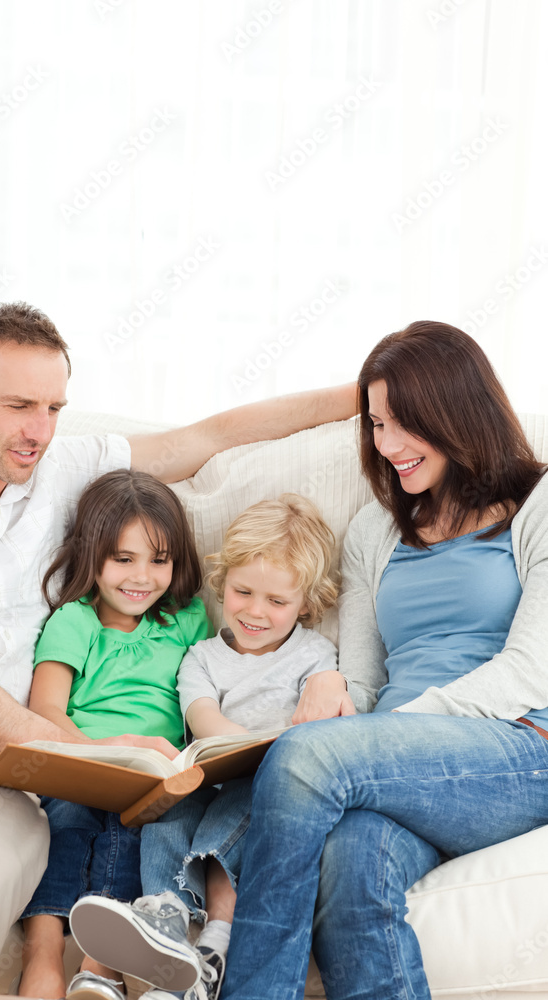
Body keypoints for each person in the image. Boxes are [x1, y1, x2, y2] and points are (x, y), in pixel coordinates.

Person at [0, 301, 356, 991]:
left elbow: (207, 437)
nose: (39, 430)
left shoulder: (61, 461)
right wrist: (80, 750)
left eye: (53, 407)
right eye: (19, 406)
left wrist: (367, 392)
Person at [213, 320, 548, 1000]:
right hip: (392, 762)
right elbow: (365, 683)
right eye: (375, 424)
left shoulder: (538, 506)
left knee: (307, 757)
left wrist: (379, 736)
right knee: (352, 858)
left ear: (457, 411)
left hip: (517, 749)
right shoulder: (373, 529)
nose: (386, 445)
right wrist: (333, 682)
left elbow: (529, 671)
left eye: (404, 423)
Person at [68, 494, 340, 1000]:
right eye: (243, 592)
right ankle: (165, 924)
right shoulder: (201, 657)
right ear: (223, 582)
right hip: (207, 771)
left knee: (225, 822)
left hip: (270, 782)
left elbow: (323, 721)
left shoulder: (316, 654)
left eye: (277, 602)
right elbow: (204, 720)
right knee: (165, 819)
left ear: (308, 602)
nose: (256, 612)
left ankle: (214, 941)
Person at [19, 468, 212, 1000]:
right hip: (80, 768)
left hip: (152, 780)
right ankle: (43, 945)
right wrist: (108, 752)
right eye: (123, 559)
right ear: (91, 554)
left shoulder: (187, 621)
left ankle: (100, 966)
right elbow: (45, 713)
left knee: (137, 835)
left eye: (159, 560)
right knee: (68, 822)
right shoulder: (74, 622)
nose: (142, 577)